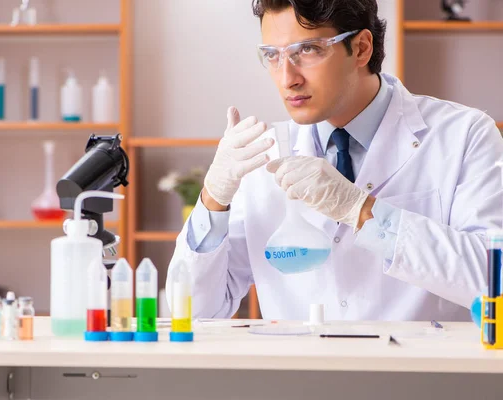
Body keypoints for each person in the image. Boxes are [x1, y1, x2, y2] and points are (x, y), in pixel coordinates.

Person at [166, 0, 503, 321]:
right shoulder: (261, 155)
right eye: (272, 55)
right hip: (301, 377)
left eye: (307, 51)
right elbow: (196, 313)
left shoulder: (464, 135)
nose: (287, 79)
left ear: (361, 48)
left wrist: (363, 211)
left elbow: (493, 283)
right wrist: (212, 198)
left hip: (423, 375)